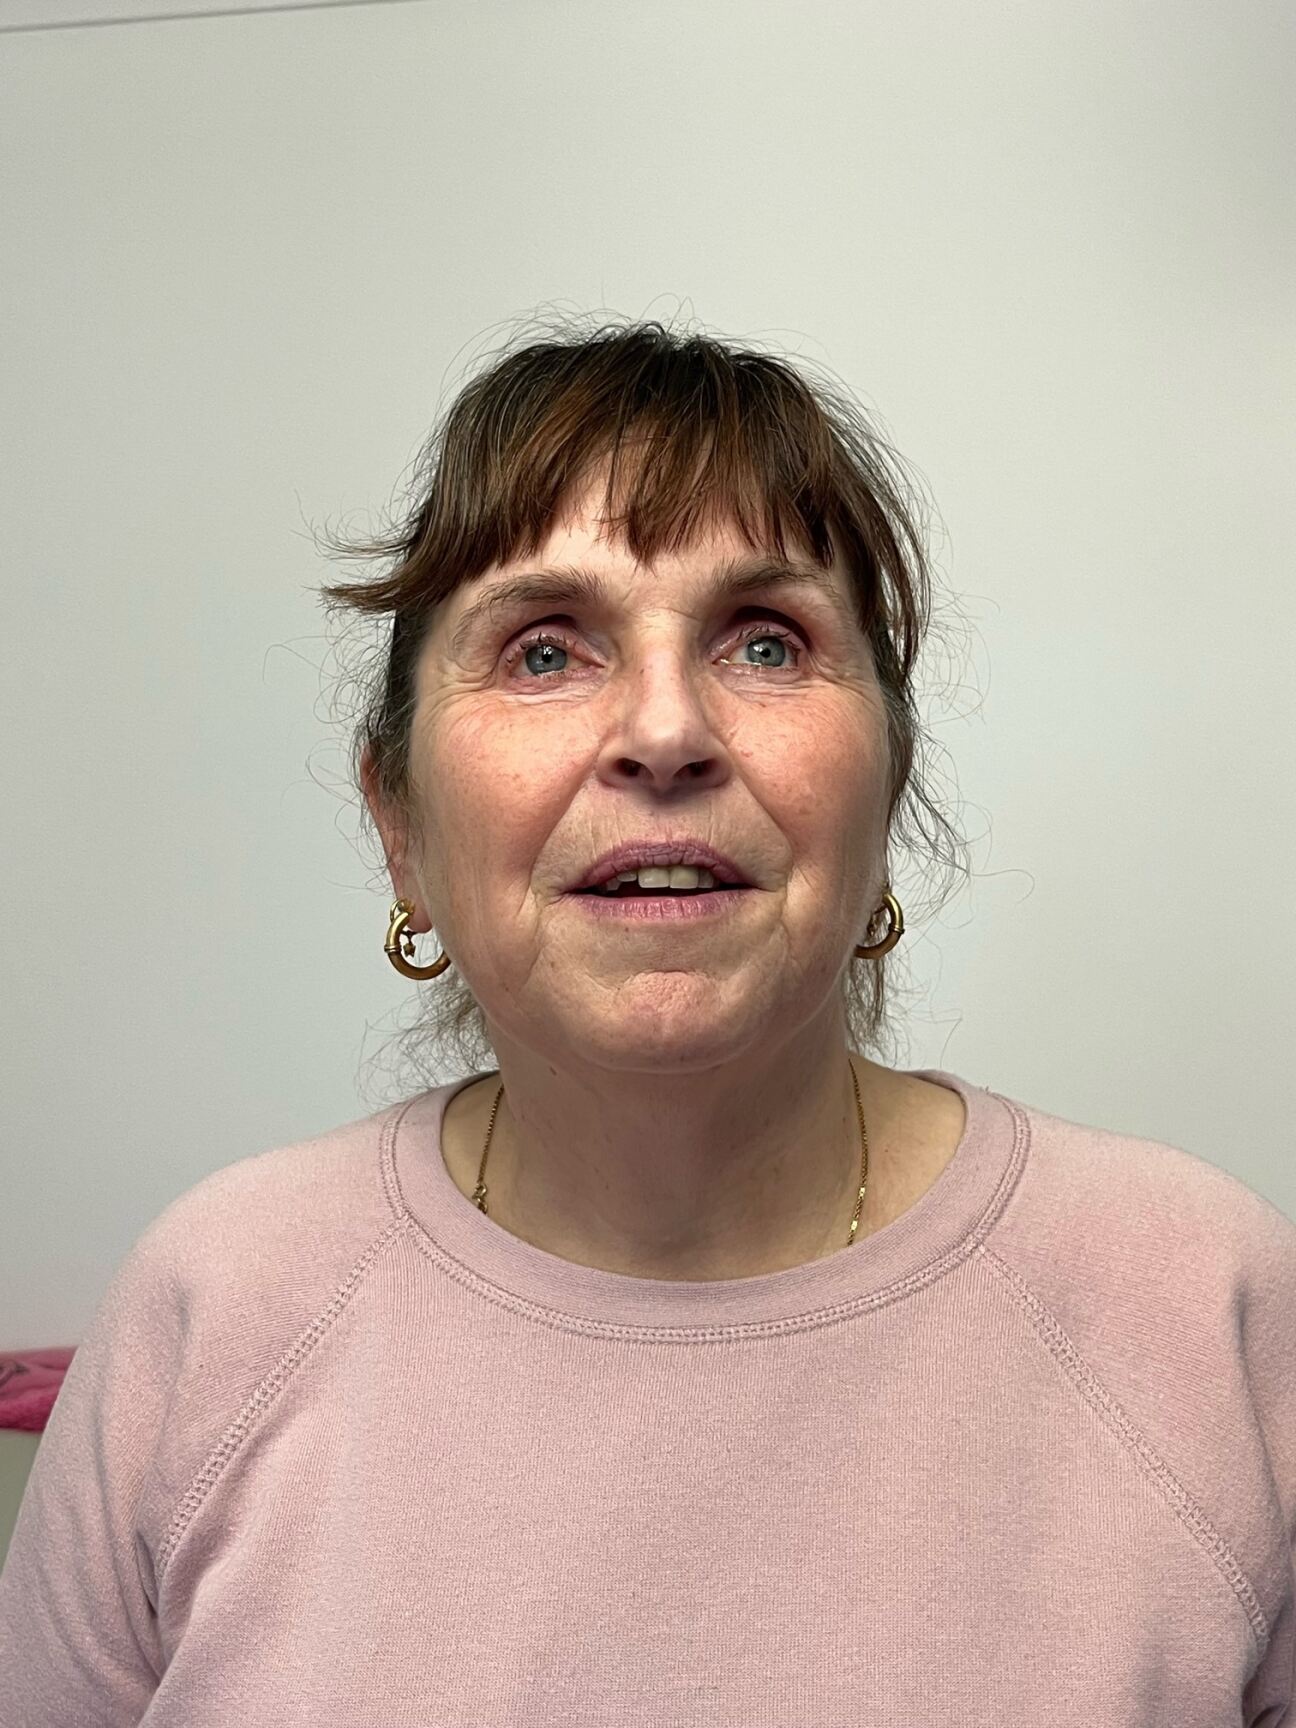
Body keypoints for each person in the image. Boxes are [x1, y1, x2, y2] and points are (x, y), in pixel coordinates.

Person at [1, 317, 1293, 1724]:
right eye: (547, 652)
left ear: (885, 796)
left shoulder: (1211, 1308)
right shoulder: (211, 1313)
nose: (666, 731)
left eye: (765, 640)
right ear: (401, 828)